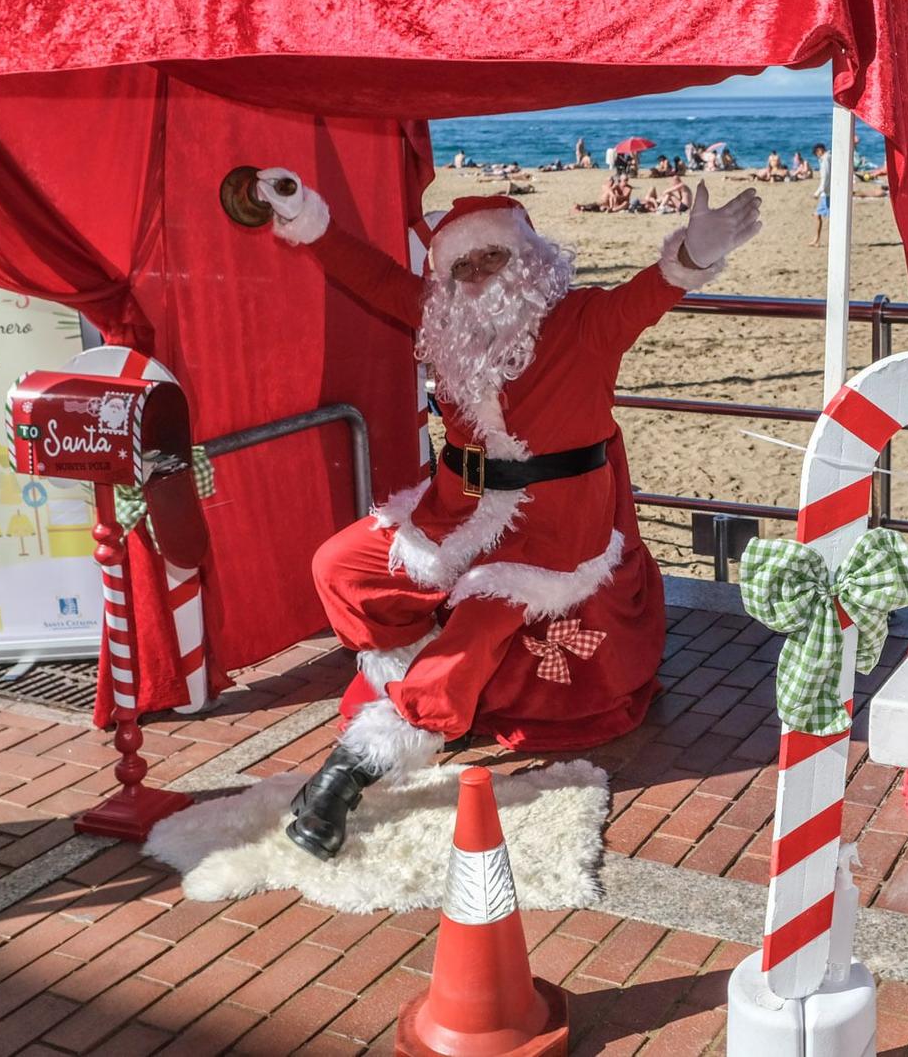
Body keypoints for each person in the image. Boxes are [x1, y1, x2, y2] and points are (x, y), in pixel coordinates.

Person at [248, 177, 763, 858]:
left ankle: (352, 771)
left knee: (480, 620)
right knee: (340, 566)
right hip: (455, 505)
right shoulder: (443, 319)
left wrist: (690, 257)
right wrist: (308, 220)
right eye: (462, 265)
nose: (478, 275)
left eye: (492, 257)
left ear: (529, 259)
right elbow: (369, 276)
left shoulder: (583, 320)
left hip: (556, 525)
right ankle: (402, 676)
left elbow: (647, 297)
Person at [810, 141, 833, 247]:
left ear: (820, 150)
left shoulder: (825, 159)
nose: (817, 156)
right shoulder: (828, 157)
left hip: (827, 193)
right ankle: (817, 239)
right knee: (824, 216)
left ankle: (817, 239)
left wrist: (817, 193)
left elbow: (825, 177)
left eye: (816, 153)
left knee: (818, 215)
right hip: (828, 192)